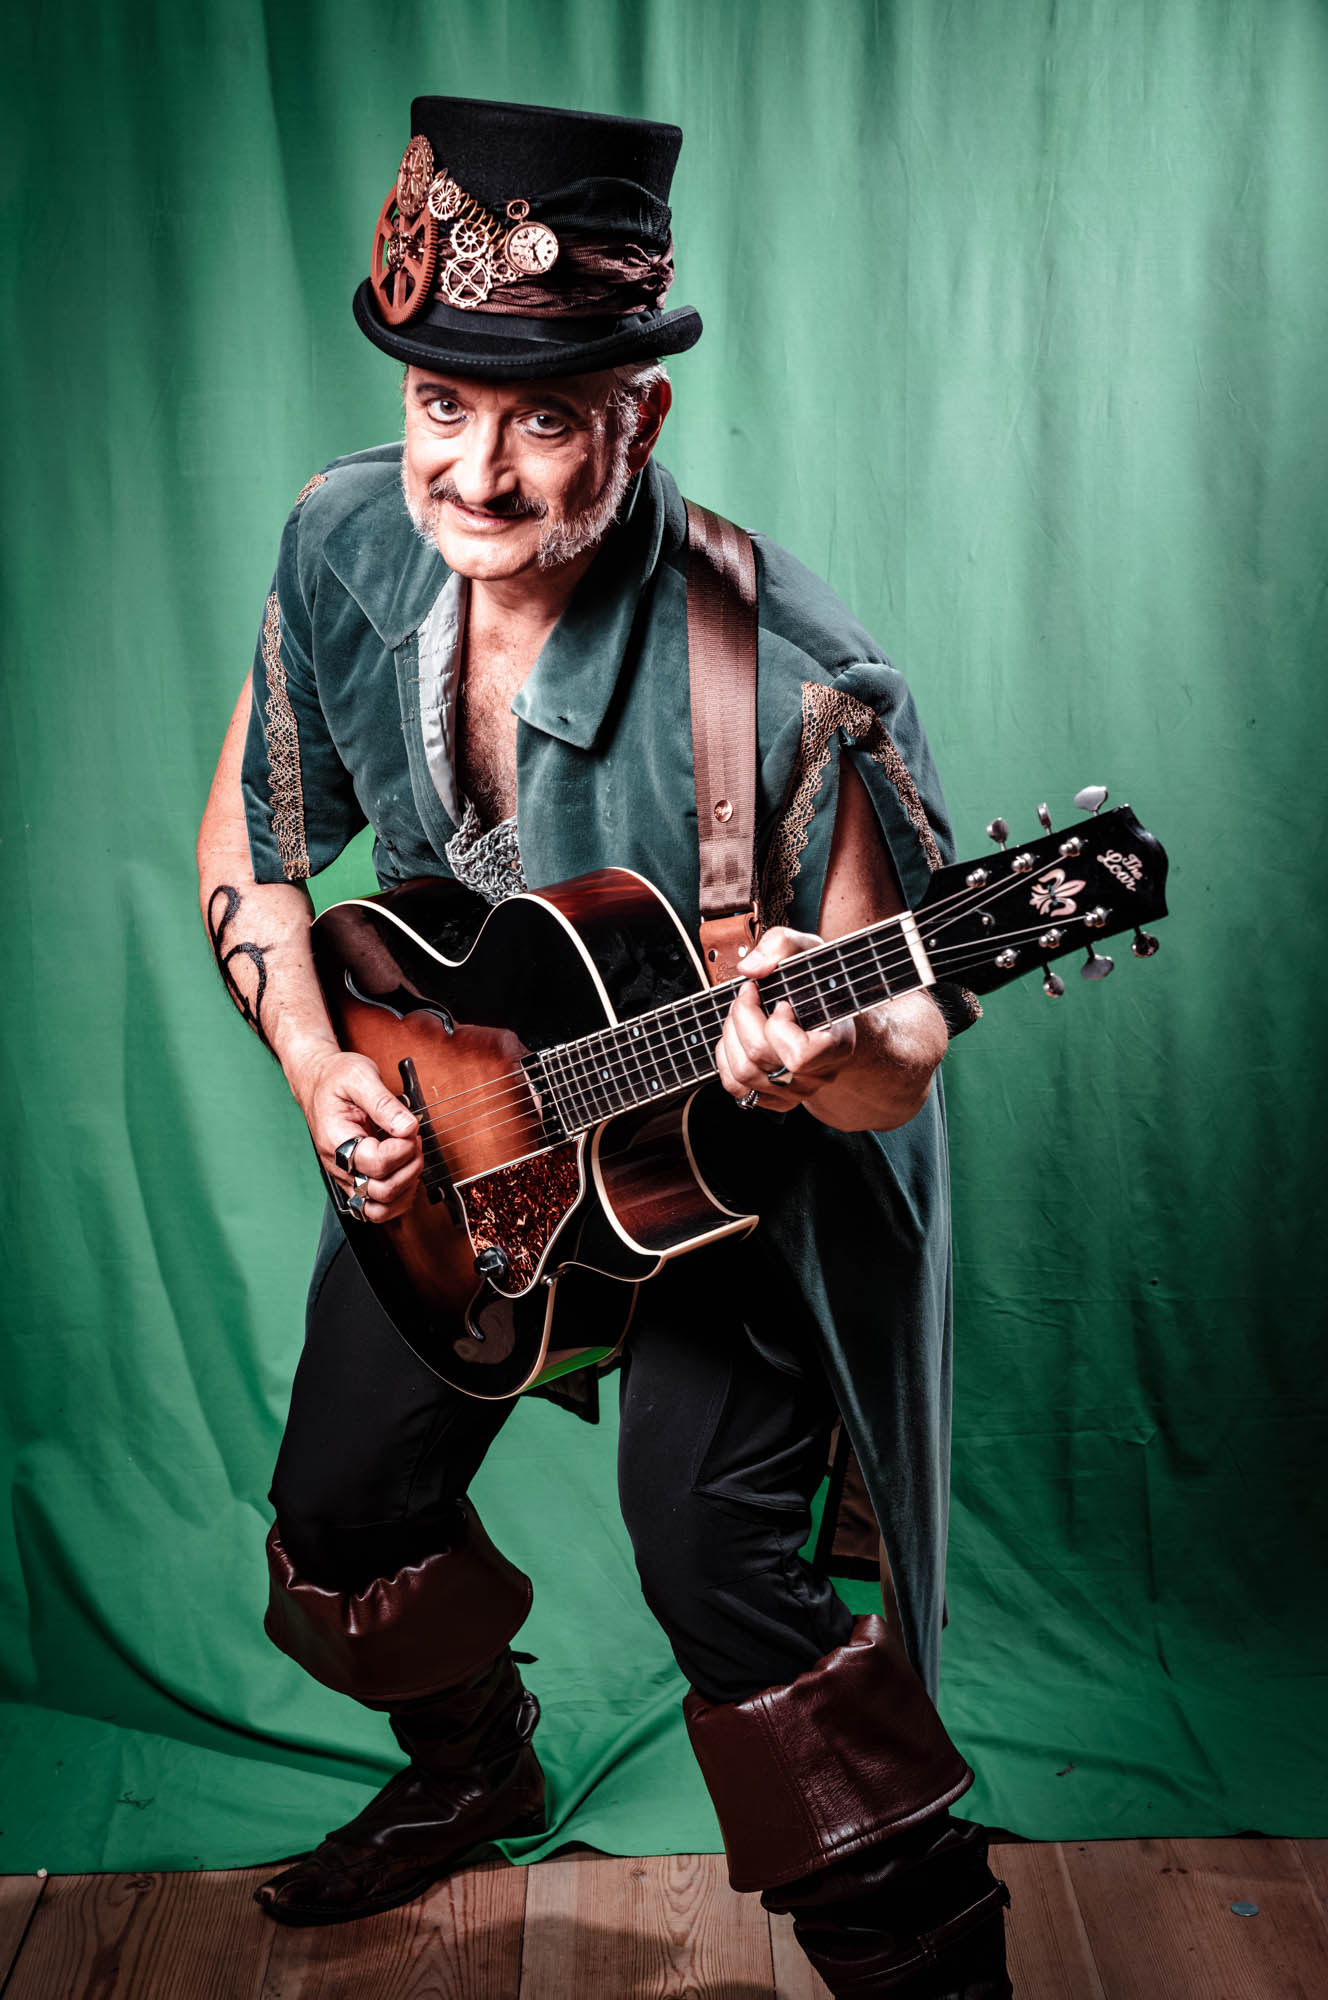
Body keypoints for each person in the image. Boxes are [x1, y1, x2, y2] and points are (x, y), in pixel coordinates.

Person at [197, 95, 1012, 1996]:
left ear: (638, 415)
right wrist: (325, 1069)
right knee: (338, 1513)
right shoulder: (344, 538)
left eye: (543, 417)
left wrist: (834, 1052)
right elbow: (252, 829)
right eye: (441, 408)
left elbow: (903, 1042)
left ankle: (931, 1960)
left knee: (716, 1560)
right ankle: (475, 1768)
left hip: (745, 1179)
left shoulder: (790, 674)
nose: (473, 476)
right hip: (473, 1102)